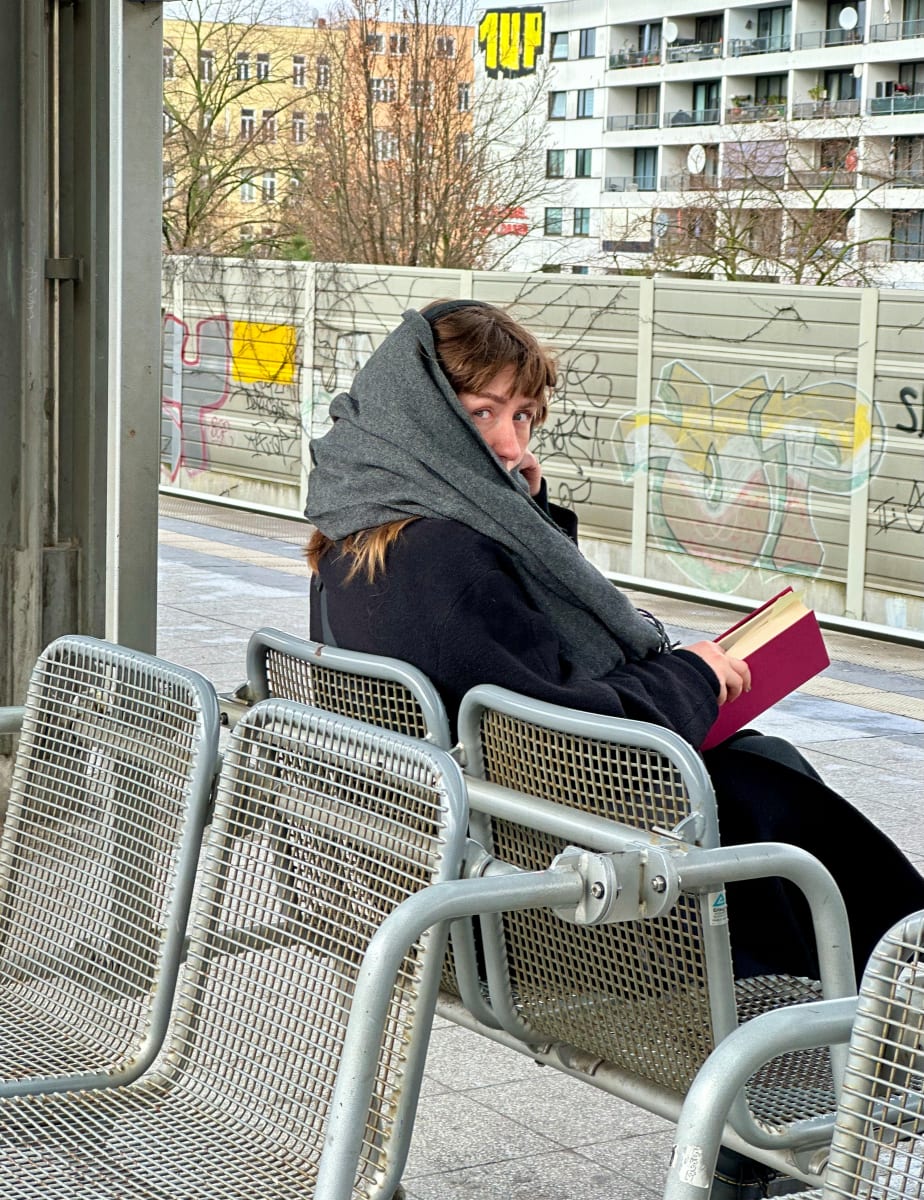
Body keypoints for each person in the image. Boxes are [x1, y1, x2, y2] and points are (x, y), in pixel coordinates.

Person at [304, 300, 924, 1196]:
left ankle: (795, 1090)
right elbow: (559, 736)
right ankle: (852, 1029)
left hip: (456, 867)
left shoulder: (360, 538)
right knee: (768, 804)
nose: (512, 444)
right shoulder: (444, 560)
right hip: (548, 909)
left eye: (522, 416)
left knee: (765, 782)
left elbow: (510, 665)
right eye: (481, 414)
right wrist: (699, 679)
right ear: (423, 417)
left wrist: (525, 514)